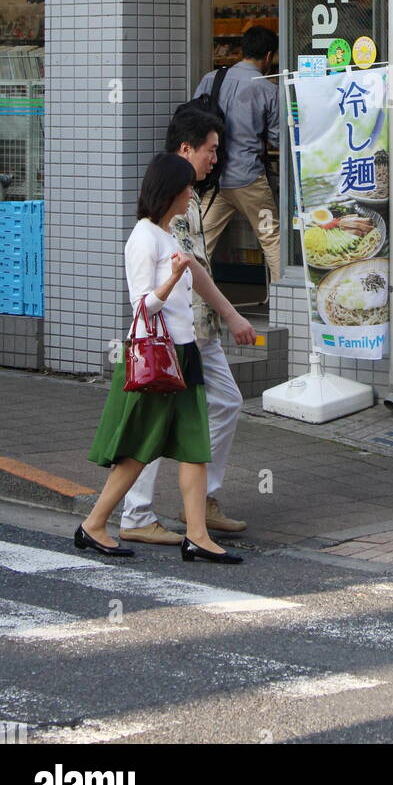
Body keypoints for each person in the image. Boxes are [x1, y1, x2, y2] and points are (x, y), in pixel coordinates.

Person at [77, 154, 243, 564]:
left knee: (194, 447)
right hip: (155, 358)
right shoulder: (143, 238)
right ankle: (94, 524)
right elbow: (142, 307)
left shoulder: (168, 235)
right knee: (137, 450)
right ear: (169, 191)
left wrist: (230, 313)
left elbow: (198, 279)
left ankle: (196, 536)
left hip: (183, 354)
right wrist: (171, 279)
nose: (191, 194)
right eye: (186, 187)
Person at [119, 109, 257, 545]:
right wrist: (225, 314)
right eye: (210, 149)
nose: (215, 158)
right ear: (186, 149)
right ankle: (139, 514)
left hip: (199, 329)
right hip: (172, 336)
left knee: (224, 404)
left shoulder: (191, 198)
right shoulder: (168, 210)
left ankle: (199, 504)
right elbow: (173, 278)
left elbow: (195, 268)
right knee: (159, 422)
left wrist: (226, 314)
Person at [194, 25, 280, 282]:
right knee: (271, 238)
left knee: (200, 243)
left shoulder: (212, 79)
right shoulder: (266, 88)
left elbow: (195, 121)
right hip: (249, 181)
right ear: (268, 56)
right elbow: (277, 137)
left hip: (216, 178)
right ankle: (284, 304)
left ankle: (196, 307)